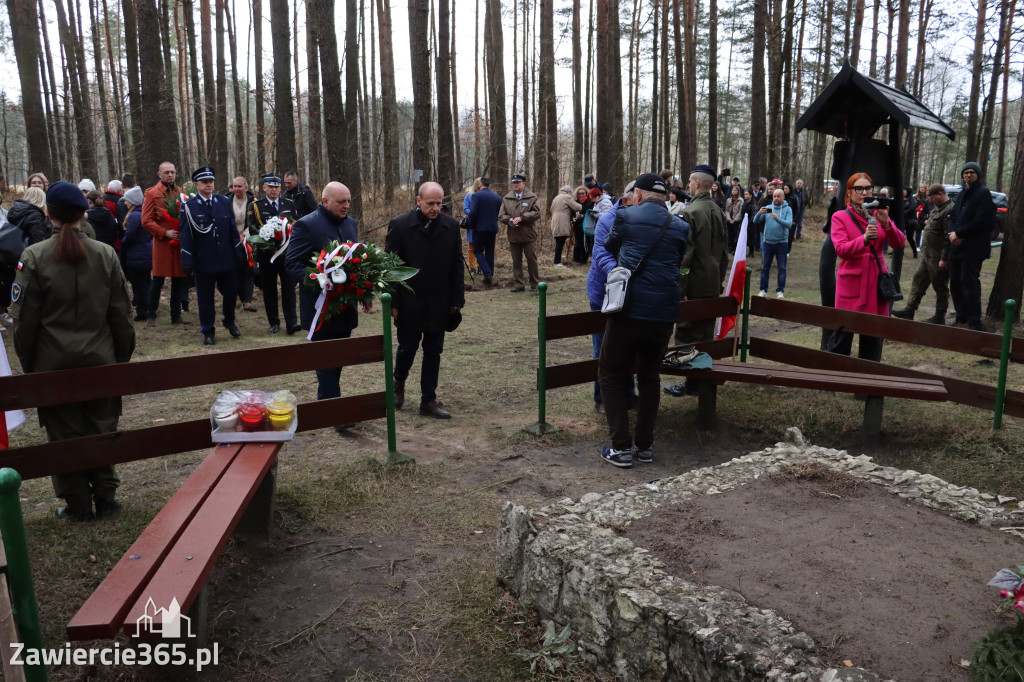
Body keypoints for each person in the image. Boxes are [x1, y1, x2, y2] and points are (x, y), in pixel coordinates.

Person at [11, 181, 136, 521]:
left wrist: (31, 366)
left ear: (47, 212)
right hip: (101, 359)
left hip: (53, 363)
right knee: (101, 427)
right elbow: (122, 317)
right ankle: (106, 497)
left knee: (63, 434)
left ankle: (78, 503)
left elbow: (24, 324)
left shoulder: (34, 256)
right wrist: (119, 360)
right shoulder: (105, 254)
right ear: (84, 212)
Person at [598, 173, 688, 468]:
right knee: (650, 378)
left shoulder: (625, 216)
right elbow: (676, 261)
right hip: (663, 313)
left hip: (629, 310)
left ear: (637, 194)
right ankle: (645, 446)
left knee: (611, 374)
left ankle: (621, 447)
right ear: (665, 197)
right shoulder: (680, 226)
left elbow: (609, 245)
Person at [286, 182, 368, 431]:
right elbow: (292, 264)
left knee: (338, 358)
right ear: (325, 201)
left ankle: (327, 403)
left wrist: (363, 291)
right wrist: (322, 279)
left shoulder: (350, 223)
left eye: (348, 201)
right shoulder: (306, 225)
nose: (346, 206)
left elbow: (354, 261)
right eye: (341, 201)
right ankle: (334, 413)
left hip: (345, 306)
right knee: (326, 359)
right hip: (319, 307)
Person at [385, 182, 465, 420]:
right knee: (407, 347)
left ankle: (428, 400)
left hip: (440, 301)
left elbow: (457, 264)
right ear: (418, 201)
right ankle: (398, 382)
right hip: (409, 301)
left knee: (433, 351)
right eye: (430, 203)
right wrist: (393, 301)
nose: (435, 208)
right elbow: (391, 266)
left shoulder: (451, 226)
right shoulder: (400, 225)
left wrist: (457, 299)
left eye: (439, 203)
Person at [664, 164, 729, 398]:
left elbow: (685, 257)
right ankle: (701, 382)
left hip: (693, 285)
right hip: (712, 283)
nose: (688, 185)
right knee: (705, 334)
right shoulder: (718, 211)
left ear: (697, 183)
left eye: (690, 181)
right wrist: (719, 281)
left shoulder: (690, 212)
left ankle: (692, 383)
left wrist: (680, 287)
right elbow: (724, 254)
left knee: (687, 335)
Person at [827, 172, 906, 360]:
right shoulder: (840, 217)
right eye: (859, 188)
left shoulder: (879, 213)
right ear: (849, 192)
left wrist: (887, 224)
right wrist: (863, 239)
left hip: (876, 281)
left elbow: (899, 243)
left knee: (873, 334)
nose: (864, 193)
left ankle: (869, 376)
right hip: (852, 281)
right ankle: (833, 374)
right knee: (843, 333)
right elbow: (841, 249)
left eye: (868, 188)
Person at [586, 180, 638, 414]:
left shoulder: (640, 220)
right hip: (603, 292)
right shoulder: (608, 220)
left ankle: (628, 393)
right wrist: (622, 276)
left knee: (628, 344)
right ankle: (602, 397)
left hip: (630, 294)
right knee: (603, 347)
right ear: (628, 199)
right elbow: (601, 255)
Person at [181, 166, 243, 345]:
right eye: (204, 182)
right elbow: (186, 236)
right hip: (204, 260)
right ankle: (208, 330)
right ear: (196, 184)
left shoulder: (223, 201)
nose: (209, 185)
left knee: (231, 292)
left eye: (211, 181)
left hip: (226, 258)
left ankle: (229, 320)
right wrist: (187, 260)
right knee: (205, 299)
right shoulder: (189, 207)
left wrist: (238, 251)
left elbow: (232, 228)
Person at [892, 184, 952, 324]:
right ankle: (909, 310)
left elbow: (948, 238)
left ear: (940, 194)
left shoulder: (949, 210)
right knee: (918, 280)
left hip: (938, 257)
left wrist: (944, 259)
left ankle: (939, 316)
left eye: (932, 197)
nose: (930, 201)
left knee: (940, 286)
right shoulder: (937, 208)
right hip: (927, 255)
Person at [247, 174, 299, 334]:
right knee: (269, 289)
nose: (274, 190)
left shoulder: (289, 204)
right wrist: (267, 239)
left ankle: (291, 323)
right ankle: (274, 322)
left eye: (276, 187)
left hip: (286, 254)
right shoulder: (256, 206)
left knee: (289, 288)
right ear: (264, 188)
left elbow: (295, 226)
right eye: (270, 187)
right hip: (266, 254)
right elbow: (253, 229)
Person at [946, 161, 995, 331]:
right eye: (965, 172)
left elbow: (982, 220)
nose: (968, 175)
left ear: (978, 175)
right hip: (956, 246)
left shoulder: (983, 193)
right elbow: (952, 216)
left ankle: (974, 322)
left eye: (972, 172)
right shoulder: (961, 193)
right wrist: (952, 234)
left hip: (973, 247)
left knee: (969, 282)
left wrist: (960, 234)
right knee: (955, 283)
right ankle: (961, 317)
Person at [142, 161, 189, 326]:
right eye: (166, 172)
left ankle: (176, 316)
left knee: (178, 280)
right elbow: (146, 221)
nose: (170, 175)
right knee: (157, 280)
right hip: (162, 243)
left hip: (178, 242)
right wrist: (164, 232)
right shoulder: (152, 193)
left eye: (172, 172)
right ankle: (150, 316)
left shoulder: (182, 192)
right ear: (159, 174)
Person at [499, 173, 541, 292]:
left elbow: (537, 213)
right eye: (514, 182)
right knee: (516, 261)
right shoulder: (507, 198)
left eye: (517, 182)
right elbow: (501, 215)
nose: (515, 185)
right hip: (513, 234)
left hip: (528, 234)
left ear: (524, 183)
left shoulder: (532, 197)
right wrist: (509, 220)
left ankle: (535, 284)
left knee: (531, 259)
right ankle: (519, 284)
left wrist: (522, 218)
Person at [119, 186, 152, 321]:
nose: (125, 202)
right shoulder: (144, 213)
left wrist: (123, 241)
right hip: (145, 254)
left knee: (139, 286)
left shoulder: (134, 216)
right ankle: (149, 309)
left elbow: (130, 236)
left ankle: (142, 312)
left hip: (136, 256)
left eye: (127, 200)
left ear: (133, 201)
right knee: (145, 284)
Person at [755, 188, 793, 298]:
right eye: (774, 196)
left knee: (782, 268)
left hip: (782, 243)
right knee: (765, 267)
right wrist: (758, 214)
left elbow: (789, 224)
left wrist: (777, 219)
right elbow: (755, 221)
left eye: (778, 196)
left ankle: (780, 291)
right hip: (767, 242)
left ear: (783, 197)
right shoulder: (769, 208)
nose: (776, 198)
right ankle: (763, 290)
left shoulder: (787, 209)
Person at [227, 176, 258, 312]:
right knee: (233, 270)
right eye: (235, 186)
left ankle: (247, 302)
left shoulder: (253, 202)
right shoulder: (226, 201)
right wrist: (236, 236)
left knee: (248, 270)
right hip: (231, 240)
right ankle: (233, 299)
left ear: (246, 187)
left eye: (240, 186)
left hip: (248, 240)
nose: (237, 189)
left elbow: (255, 221)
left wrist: (244, 235)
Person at [467, 176, 502, 287]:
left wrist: (472, 226)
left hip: (479, 228)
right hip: (492, 228)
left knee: (477, 251)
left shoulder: (476, 196)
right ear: (490, 185)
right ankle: (489, 276)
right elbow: (498, 214)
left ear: (479, 185)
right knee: (489, 253)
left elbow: (472, 212)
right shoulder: (497, 198)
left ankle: (487, 274)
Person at [550, 185, 581, 267]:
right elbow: (577, 207)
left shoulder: (556, 198)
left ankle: (557, 260)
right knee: (560, 241)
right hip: (562, 221)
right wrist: (582, 205)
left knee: (558, 241)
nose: (571, 194)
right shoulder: (567, 197)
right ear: (568, 192)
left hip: (555, 220)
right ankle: (557, 262)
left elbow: (551, 209)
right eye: (571, 193)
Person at [462, 178, 482, 275]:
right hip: (472, 223)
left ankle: (480, 267)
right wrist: (473, 214)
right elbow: (465, 208)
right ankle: (472, 268)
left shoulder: (484, 195)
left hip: (483, 223)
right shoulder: (469, 195)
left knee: (481, 246)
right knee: (472, 247)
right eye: (479, 185)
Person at [570, 186, 591, 264]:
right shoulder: (575, 202)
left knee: (585, 241)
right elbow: (572, 213)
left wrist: (583, 216)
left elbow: (591, 213)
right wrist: (573, 218)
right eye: (579, 194)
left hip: (586, 224)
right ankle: (576, 258)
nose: (581, 195)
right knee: (578, 241)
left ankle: (584, 259)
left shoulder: (589, 202)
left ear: (586, 193)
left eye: (583, 193)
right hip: (577, 224)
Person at [724, 184, 744, 253]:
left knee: (736, 235)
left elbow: (741, 211)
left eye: (735, 190)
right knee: (730, 234)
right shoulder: (728, 200)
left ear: (738, 191)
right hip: (729, 220)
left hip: (736, 220)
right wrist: (729, 219)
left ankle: (735, 248)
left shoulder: (741, 200)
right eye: (733, 190)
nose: (734, 191)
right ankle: (731, 247)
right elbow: (726, 210)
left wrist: (735, 219)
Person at [902, 186, 920, 258]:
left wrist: (902, 213)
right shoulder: (900, 199)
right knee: (900, 236)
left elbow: (912, 209)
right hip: (902, 221)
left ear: (908, 192)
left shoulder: (912, 200)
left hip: (910, 221)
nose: (903, 191)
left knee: (910, 237)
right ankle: (899, 252)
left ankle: (915, 252)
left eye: (904, 190)